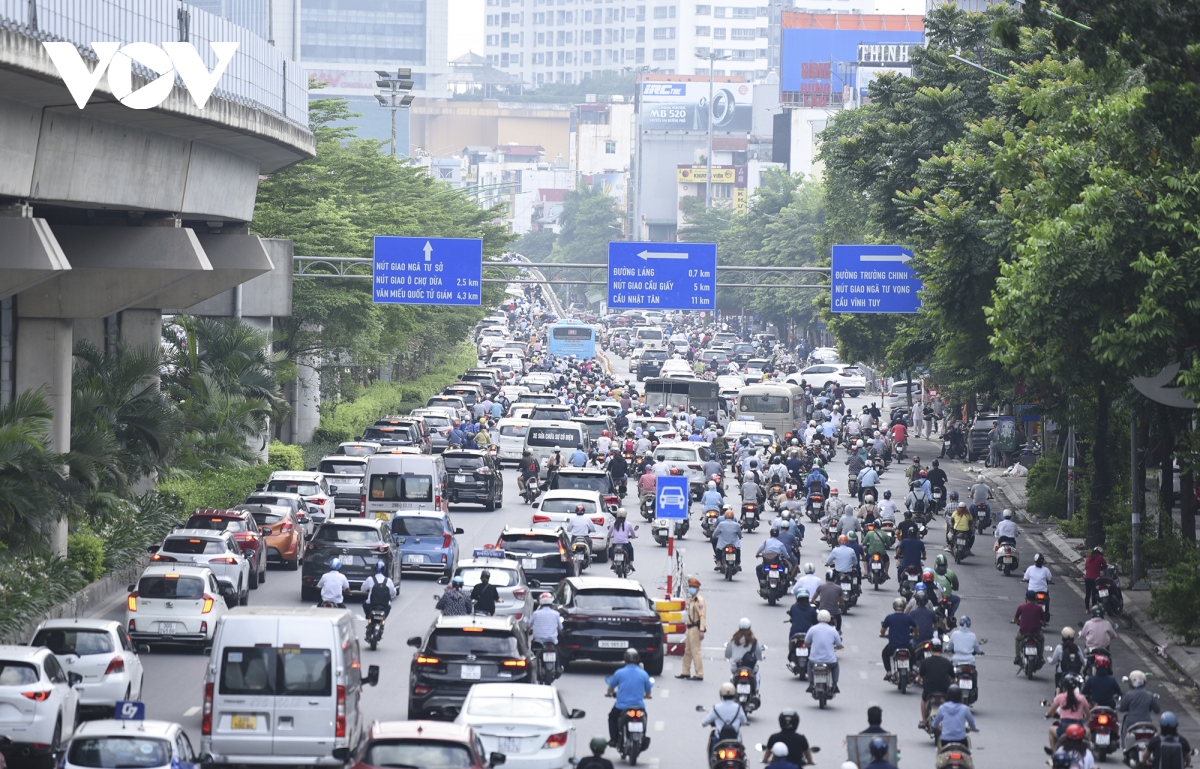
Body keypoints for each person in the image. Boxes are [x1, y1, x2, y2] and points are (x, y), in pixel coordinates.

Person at [604, 649, 653, 747]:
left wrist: (609, 693)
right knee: (644, 717)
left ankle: (613, 739)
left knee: (612, 717)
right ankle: (643, 736)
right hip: (639, 706)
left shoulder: (619, 673)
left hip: (621, 707)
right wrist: (647, 696)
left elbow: (611, 687)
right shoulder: (644, 674)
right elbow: (648, 691)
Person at [1046, 674, 1091, 754]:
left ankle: (1054, 754)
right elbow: (1088, 714)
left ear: (1064, 686)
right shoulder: (1081, 698)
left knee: (1051, 730)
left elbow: (1051, 711)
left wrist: (1048, 714)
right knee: (1088, 732)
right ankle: (1088, 753)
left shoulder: (1060, 697)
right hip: (1078, 726)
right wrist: (1087, 718)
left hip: (1063, 728)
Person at [1118, 670, 1161, 750]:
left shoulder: (1129, 694)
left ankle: (1125, 748)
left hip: (1131, 722)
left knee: (1124, 731)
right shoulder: (1149, 695)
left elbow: (1122, 709)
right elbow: (1157, 710)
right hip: (1146, 723)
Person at [701, 682, 749, 753]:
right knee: (741, 753)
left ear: (721, 694)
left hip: (719, 739)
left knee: (714, 753)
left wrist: (702, 724)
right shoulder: (738, 707)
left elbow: (705, 722)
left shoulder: (716, 708)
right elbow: (744, 722)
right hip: (736, 739)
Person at [917, 636, 953, 729]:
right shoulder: (947, 662)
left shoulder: (925, 662)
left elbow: (920, 677)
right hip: (944, 690)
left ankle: (924, 720)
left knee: (923, 700)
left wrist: (918, 679)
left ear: (931, 649)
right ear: (941, 649)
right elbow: (954, 678)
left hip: (929, 691)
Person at [802, 609, 843, 692]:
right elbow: (839, 645)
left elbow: (806, 643)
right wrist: (840, 647)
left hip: (814, 661)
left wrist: (807, 645)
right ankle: (835, 684)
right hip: (829, 661)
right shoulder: (833, 630)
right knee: (836, 665)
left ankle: (811, 684)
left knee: (809, 665)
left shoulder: (812, 629)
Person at [880, 597, 918, 679]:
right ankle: (913, 671)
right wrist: (915, 634)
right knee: (913, 655)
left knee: (884, 654)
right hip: (906, 645)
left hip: (893, 646)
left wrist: (883, 635)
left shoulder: (889, 617)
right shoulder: (908, 617)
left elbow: (882, 630)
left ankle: (889, 672)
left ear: (894, 606)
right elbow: (916, 627)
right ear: (904, 606)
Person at [932, 685, 978, 750]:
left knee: (939, 753)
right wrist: (974, 728)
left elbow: (935, 723)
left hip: (945, 741)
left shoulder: (942, 708)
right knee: (968, 753)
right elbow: (971, 722)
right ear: (960, 696)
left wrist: (934, 726)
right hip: (961, 741)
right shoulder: (964, 708)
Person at [679, 576, 706, 681]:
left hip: (696, 628)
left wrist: (702, 630)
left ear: (698, 589)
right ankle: (685, 672)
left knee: (696, 651)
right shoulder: (692, 599)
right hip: (690, 628)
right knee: (687, 651)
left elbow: (702, 615)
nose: (691, 588)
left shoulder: (699, 600)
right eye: (690, 586)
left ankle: (699, 674)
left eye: (693, 587)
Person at [726, 618, 764, 685]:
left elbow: (727, 654)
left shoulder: (733, 640)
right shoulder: (754, 641)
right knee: (757, 676)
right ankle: (756, 692)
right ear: (750, 628)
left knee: (732, 677)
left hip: (736, 667)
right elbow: (759, 654)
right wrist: (761, 658)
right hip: (751, 668)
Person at [1013, 590, 1048, 664]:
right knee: (1042, 639)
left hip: (1023, 632)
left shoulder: (1021, 607)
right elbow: (1043, 620)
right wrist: (1044, 623)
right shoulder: (1039, 608)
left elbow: (1015, 618)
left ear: (1026, 598)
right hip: (1036, 632)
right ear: (1035, 598)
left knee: (1017, 638)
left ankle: (1017, 656)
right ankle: (1041, 657)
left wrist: (1016, 621)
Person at [1024, 553, 1055, 621]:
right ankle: (1046, 613)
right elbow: (1050, 579)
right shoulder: (1046, 570)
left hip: (1032, 592)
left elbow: (1026, 578)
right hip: (1043, 592)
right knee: (1047, 600)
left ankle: (1028, 613)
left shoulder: (1030, 568)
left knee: (1027, 600)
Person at [932, 554, 961, 620]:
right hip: (948, 597)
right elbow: (956, 584)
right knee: (957, 599)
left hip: (936, 597)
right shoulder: (950, 573)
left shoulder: (932, 572)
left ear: (936, 564)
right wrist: (955, 588)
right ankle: (951, 616)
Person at [1085, 546, 1109, 611]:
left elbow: (1086, 567)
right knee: (1094, 594)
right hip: (1095, 579)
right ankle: (1094, 609)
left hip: (1087, 578)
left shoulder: (1089, 557)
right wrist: (1099, 568)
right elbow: (1105, 566)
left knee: (1087, 594)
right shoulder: (1100, 557)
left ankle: (1087, 609)